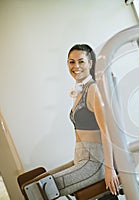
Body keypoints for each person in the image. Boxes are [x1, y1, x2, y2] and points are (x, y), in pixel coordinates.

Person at [28, 44, 120, 198]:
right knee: (33, 184)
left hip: (94, 162)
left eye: (81, 61)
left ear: (90, 64)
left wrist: (109, 169)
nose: (76, 66)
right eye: (71, 62)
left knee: (37, 191)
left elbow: (106, 131)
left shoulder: (93, 90)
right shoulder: (79, 90)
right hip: (80, 157)